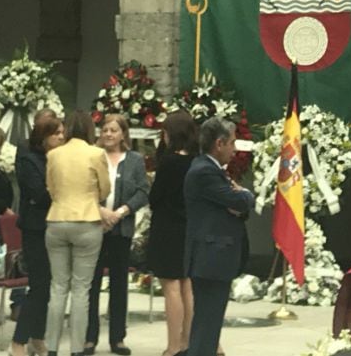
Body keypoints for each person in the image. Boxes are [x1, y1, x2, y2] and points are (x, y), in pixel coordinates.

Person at [184, 117, 253, 356]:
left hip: (214, 259)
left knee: (209, 325)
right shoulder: (205, 171)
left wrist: (238, 202)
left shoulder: (212, 169)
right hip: (210, 258)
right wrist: (245, 194)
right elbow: (240, 201)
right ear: (220, 144)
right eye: (232, 143)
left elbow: (237, 208)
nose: (235, 149)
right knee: (207, 325)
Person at [44, 111, 110, 356]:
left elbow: (50, 187)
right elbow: (105, 189)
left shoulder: (53, 154)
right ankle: (76, 348)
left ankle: (51, 347)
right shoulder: (96, 153)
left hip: (57, 219)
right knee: (81, 289)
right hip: (87, 220)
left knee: (58, 286)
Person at [84, 115, 149, 356]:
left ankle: (117, 338)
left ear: (123, 134)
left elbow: (143, 191)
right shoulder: (92, 156)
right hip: (94, 227)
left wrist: (120, 213)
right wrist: (101, 213)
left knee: (119, 285)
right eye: (105, 130)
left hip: (121, 229)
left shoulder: (134, 160)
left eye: (114, 130)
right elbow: (84, 188)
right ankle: (89, 337)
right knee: (91, 284)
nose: (108, 134)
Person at [11, 115, 66, 356]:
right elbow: (38, 194)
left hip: (57, 225)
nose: (62, 137)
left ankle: (37, 336)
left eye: (63, 132)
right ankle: (18, 341)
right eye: (56, 133)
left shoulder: (60, 158)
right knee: (39, 286)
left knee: (49, 287)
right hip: (36, 229)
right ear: (43, 137)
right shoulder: (29, 159)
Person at [147, 112, 199, 356]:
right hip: (189, 227)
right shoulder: (197, 161)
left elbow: (155, 197)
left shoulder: (169, 163)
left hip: (167, 228)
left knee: (171, 288)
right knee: (187, 285)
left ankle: (172, 345)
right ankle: (187, 340)